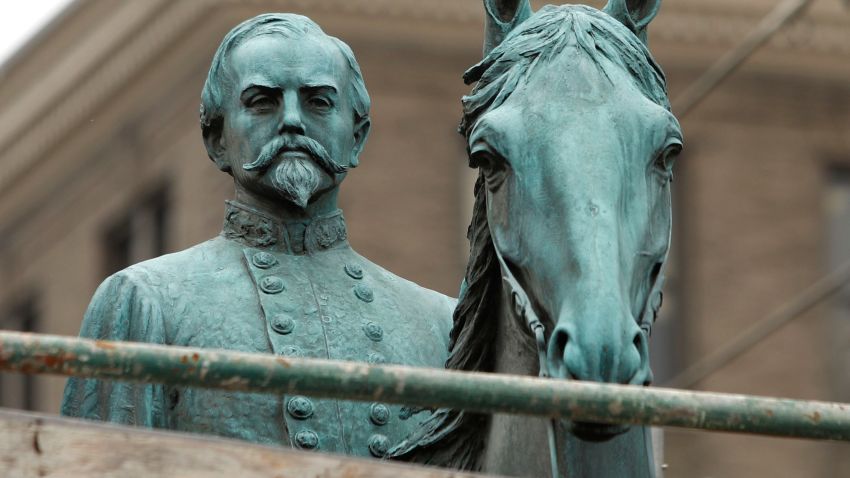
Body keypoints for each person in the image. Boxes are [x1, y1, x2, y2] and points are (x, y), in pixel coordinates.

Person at [61, 13, 455, 459]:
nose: (291, 121)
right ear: (217, 140)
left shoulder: (442, 324)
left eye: (319, 102)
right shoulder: (146, 299)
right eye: (262, 102)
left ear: (357, 137)